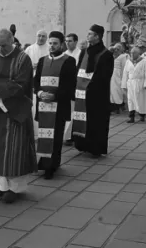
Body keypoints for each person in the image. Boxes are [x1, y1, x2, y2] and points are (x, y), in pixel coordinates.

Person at [0, 28, 37, 202]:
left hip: (15, 109)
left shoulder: (22, 59)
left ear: (12, 41)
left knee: (13, 149)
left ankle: (14, 188)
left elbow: (22, 84)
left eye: (3, 45)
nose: (0, 48)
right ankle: (0, 185)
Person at [33, 31, 76, 179]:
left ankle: (52, 165)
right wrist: (39, 94)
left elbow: (70, 86)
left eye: (55, 43)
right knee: (43, 134)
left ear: (62, 44)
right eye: (50, 43)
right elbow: (36, 82)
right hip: (43, 105)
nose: (52, 46)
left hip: (58, 105)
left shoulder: (69, 61)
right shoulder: (42, 60)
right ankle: (43, 162)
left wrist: (55, 96)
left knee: (56, 136)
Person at [71, 24, 114, 158]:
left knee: (96, 121)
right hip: (81, 93)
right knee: (83, 119)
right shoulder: (85, 52)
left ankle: (95, 147)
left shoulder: (106, 54)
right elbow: (78, 70)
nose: (88, 36)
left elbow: (105, 76)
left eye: (90, 34)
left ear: (97, 36)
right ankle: (82, 144)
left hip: (97, 95)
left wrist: (90, 88)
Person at [121, 46, 146, 123]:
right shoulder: (128, 61)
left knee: (141, 100)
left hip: (140, 83)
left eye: (134, 53)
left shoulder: (144, 62)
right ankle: (131, 117)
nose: (132, 54)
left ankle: (142, 115)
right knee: (130, 100)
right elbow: (125, 73)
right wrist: (124, 84)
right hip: (131, 83)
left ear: (138, 54)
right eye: (131, 52)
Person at [110, 43, 128, 114]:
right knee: (111, 92)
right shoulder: (111, 56)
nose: (116, 50)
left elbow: (124, 67)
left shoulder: (124, 56)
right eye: (115, 49)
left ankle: (118, 107)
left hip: (119, 76)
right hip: (111, 76)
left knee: (117, 91)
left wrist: (124, 77)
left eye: (118, 49)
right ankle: (113, 107)